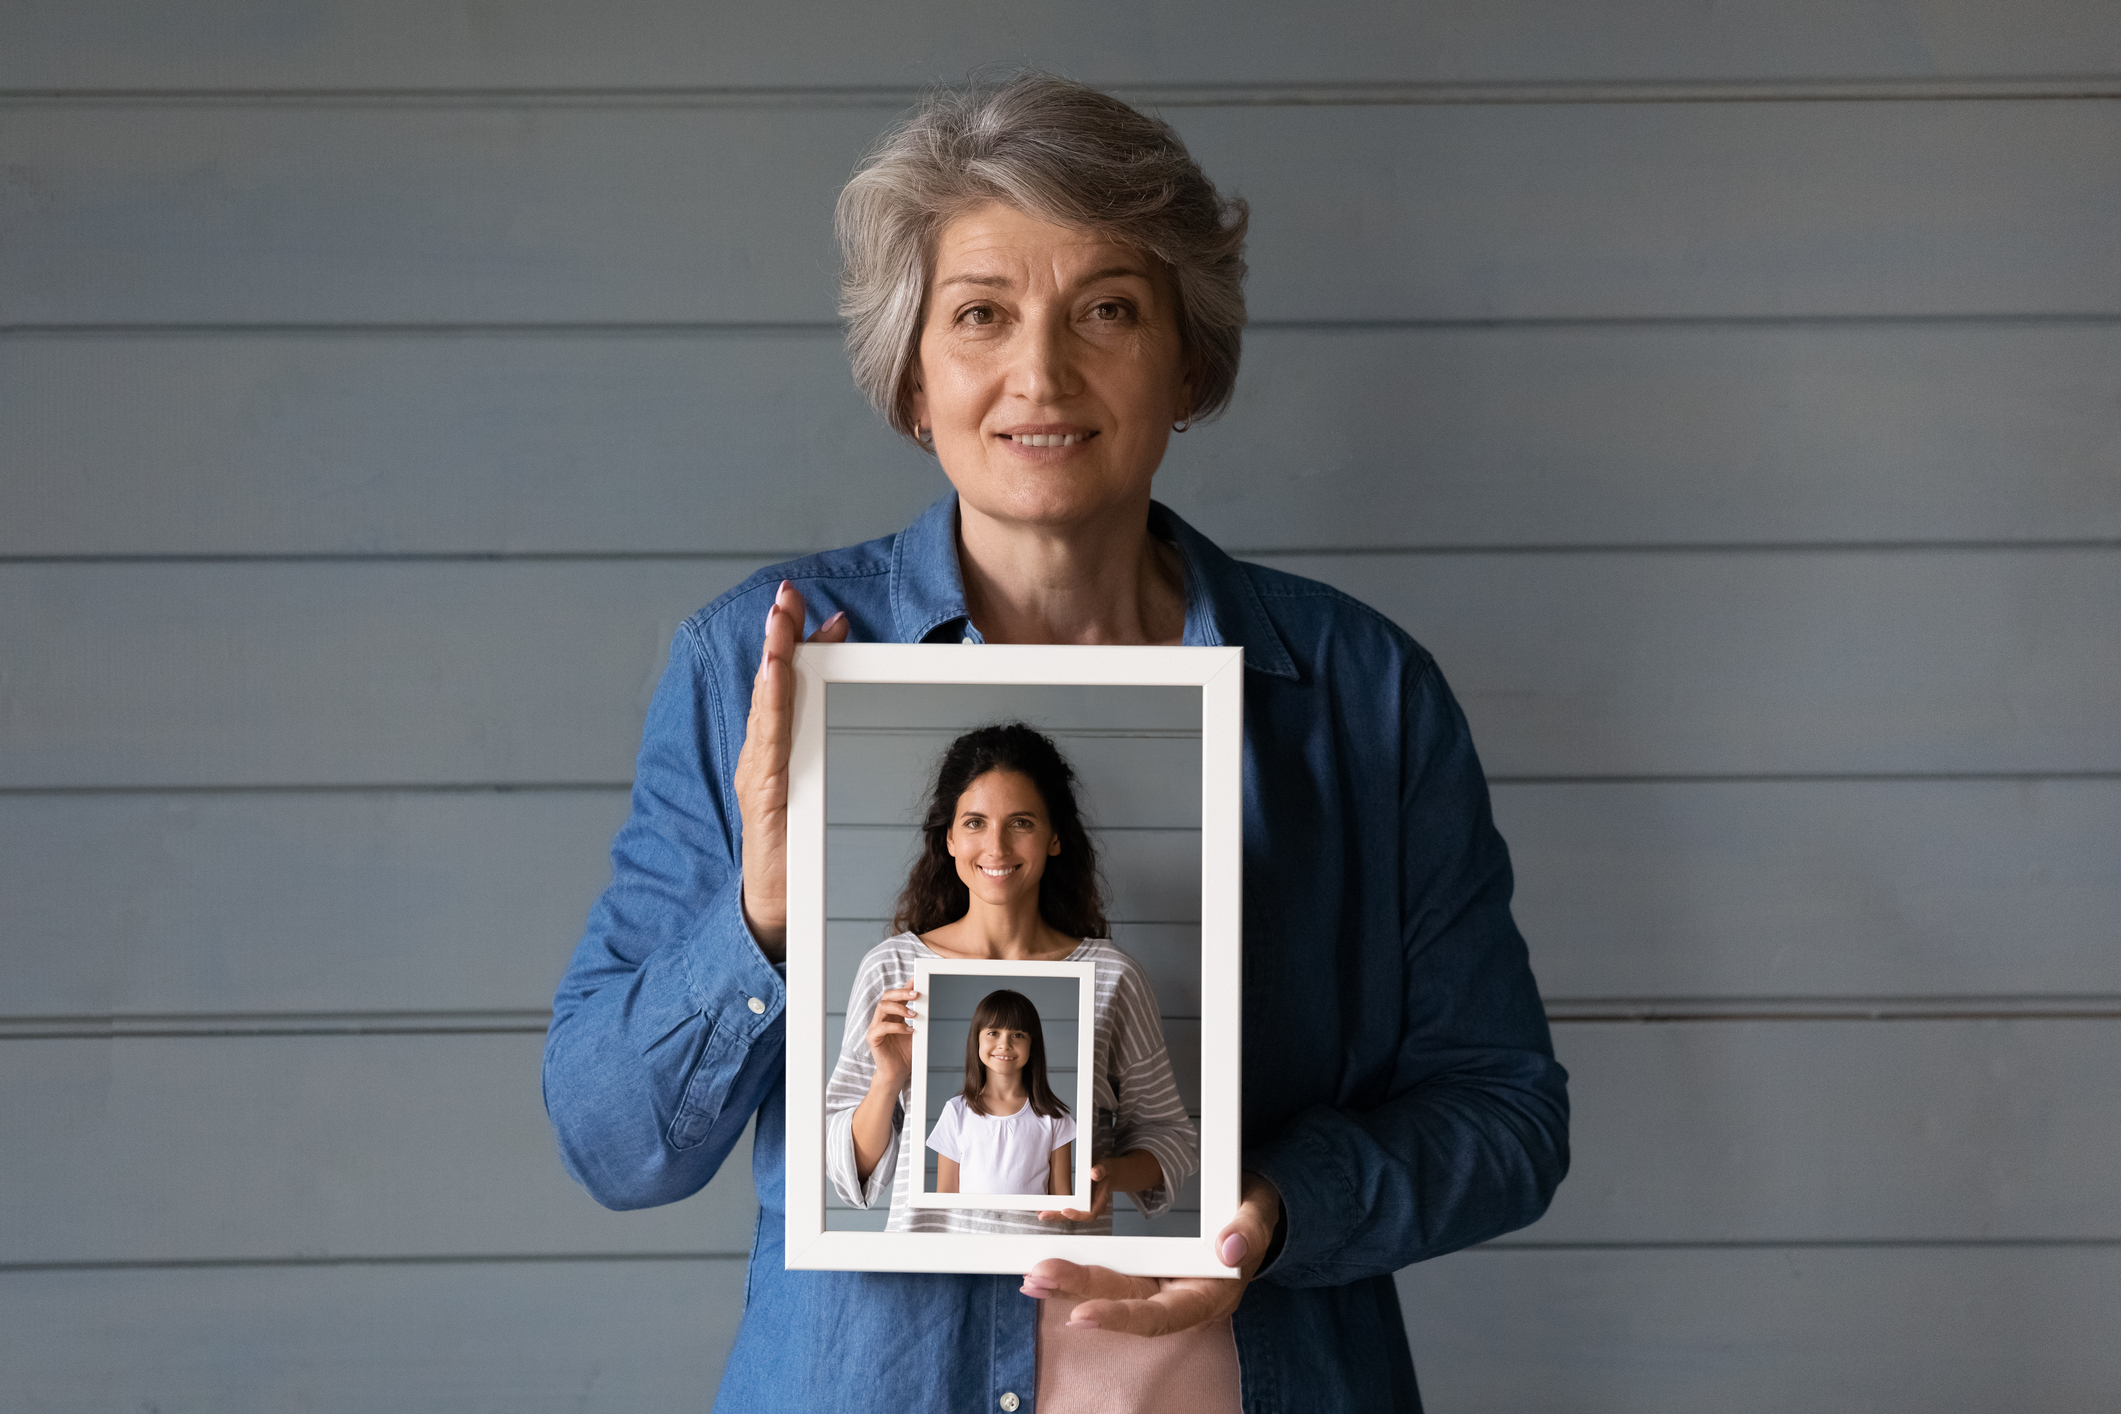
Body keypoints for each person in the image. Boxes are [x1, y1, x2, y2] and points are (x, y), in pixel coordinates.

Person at [543, 71, 1569, 1412]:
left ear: (1187, 363)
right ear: (912, 378)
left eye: (1107, 309)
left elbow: (1503, 1114)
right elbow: (613, 1142)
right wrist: (763, 922)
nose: (1041, 373)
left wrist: (1276, 1206)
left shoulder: (1362, 694)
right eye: (980, 314)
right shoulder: (757, 670)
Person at [824, 723, 1195, 1230]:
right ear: (949, 838)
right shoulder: (892, 969)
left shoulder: (1112, 977)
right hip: (926, 1272)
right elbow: (850, 1173)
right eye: (975, 823)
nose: (996, 847)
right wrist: (888, 1078)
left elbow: (1169, 1137)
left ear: (1055, 837)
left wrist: (1109, 1174)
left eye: (1020, 822)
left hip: (1063, 1270)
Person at [928, 989, 1076, 1198]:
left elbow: (1061, 1199)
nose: (1004, 1045)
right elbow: (945, 1196)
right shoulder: (956, 1111)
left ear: (1032, 1044)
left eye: (1017, 1035)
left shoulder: (1054, 1116)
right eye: (993, 1033)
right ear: (977, 1039)